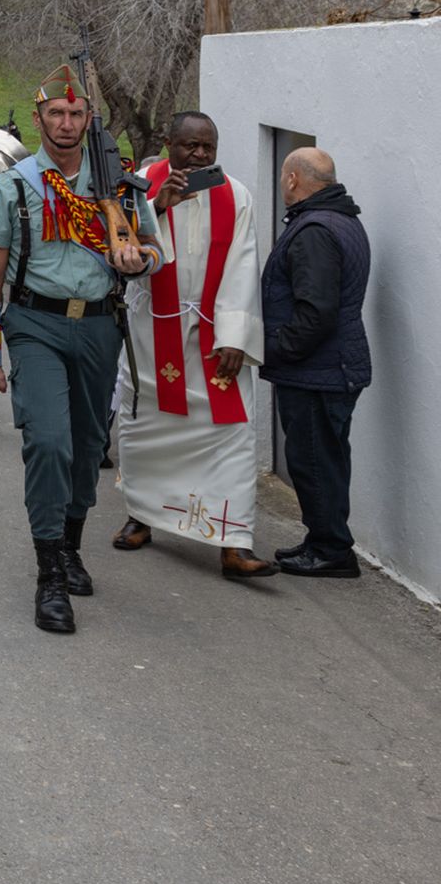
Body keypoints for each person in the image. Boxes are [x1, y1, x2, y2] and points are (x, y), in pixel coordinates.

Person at [0, 63, 163, 634]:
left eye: (76, 113)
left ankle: (71, 545)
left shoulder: (120, 182)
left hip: (101, 326)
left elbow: (154, 248)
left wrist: (138, 259)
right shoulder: (16, 185)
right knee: (50, 443)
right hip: (36, 323)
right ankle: (49, 574)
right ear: (38, 119)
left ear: (88, 121)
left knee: (85, 447)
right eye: (55, 112)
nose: (65, 122)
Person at [111, 112, 276, 578]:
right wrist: (157, 207)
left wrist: (235, 335)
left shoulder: (235, 194)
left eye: (209, 146)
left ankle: (233, 542)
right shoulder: (140, 183)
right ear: (168, 144)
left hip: (212, 336)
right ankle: (141, 518)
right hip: (151, 331)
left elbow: (244, 266)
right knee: (146, 431)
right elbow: (120, 247)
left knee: (233, 436)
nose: (201, 155)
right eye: (190, 146)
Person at [261, 147, 371, 578]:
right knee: (325, 456)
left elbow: (316, 313)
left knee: (313, 460)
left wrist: (271, 348)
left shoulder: (315, 231)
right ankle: (325, 541)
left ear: (292, 179)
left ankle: (330, 550)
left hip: (318, 370)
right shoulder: (340, 219)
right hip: (333, 366)